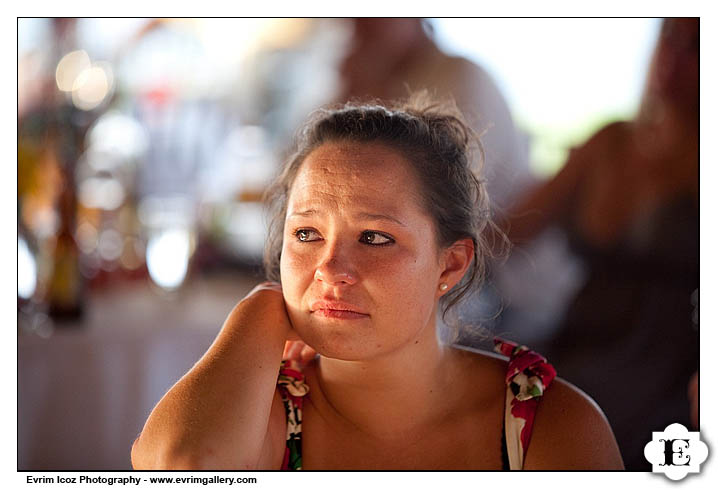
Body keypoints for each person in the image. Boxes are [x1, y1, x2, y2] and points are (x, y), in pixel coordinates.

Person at [130, 94, 623, 470]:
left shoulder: (546, 429)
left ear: (450, 265)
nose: (329, 268)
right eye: (306, 234)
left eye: (374, 237)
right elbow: (180, 466)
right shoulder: (264, 417)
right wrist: (258, 312)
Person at [502, 18, 698, 470]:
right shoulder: (612, 140)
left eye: (697, 45)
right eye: (669, 36)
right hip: (579, 337)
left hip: (670, 368)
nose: (676, 56)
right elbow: (507, 231)